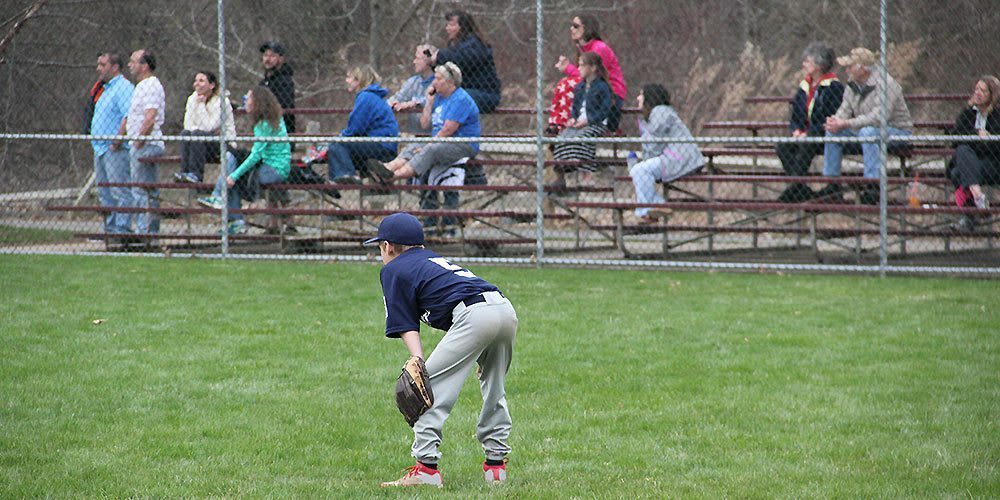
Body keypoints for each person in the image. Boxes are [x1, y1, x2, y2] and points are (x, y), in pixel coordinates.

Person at [365, 212, 517, 488]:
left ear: (387, 246)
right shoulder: (431, 260)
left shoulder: (393, 269)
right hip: (503, 309)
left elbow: (404, 322)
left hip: (474, 316)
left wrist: (418, 361)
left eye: (380, 247)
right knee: (494, 387)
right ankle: (496, 467)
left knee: (426, 389)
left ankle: (426, 469)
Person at [366, 62, 483, 228]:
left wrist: (428, 145)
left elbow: (448, 130)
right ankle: (388, 168)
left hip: (461, 144)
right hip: (440, 141)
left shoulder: (460, 99)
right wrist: (429, 101)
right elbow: (424, 124)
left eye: (438, 78)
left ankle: (392, 177)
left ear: (450, 82)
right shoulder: (439, 98)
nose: (434, 82)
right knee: (415, 144)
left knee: (430, 149)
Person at [820, 47, 913, 205]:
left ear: (862, 68)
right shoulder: (852, 85)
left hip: (896, 131)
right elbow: (845, 109)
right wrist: (835, 122)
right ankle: (832, 185)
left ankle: (873, 185)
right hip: (865, 131)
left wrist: (847, 123)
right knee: (834, 133)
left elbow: (879, 117)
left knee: (868, 132)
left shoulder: (886, 83)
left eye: (850, 66)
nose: (847, 70)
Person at [197, 86, 291, 235]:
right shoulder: (270, 119)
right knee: (233, 161)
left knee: (235, 177)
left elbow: (256, 155)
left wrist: (234, 176)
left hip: (274, 170)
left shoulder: (265, 124)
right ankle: (230, 213)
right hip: (271, 166)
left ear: (258, 102)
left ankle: (226, 207)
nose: (245, 101)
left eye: (249, 98)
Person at [775, 42, 845, 203]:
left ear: (819, 65)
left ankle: (794, 189)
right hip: (804, 135)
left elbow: (830, 118)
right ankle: (799, 188)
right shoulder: (805, 86)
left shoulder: (833, 87)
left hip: (821, 135)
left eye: (807, 61)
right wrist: (796, 130)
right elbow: (796, 115)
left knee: (808, 142)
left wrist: (807, 133)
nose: (803, 64)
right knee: (783, 146)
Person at [627, 84, 705, 224]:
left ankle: (650, 208)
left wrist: (645, 160)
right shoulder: (657, 113)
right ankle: (653, 206)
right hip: (674, 158)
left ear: (650, 98)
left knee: (639, 170)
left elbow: (655, 143)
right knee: (639, 171)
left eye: (641, 94)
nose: (638, 98)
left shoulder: (659, 111)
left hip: (679, 158)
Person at [117, 49, 165, 236]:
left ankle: (144, 231)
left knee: (140, 190)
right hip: (142, 143)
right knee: (147, 189)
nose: (129, 65)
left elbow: (150, 117)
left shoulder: (151, 85)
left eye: (133, 61)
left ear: (144, 65)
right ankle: (149, 230)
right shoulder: (141, 86)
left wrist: (138, 142)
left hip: (147, 145)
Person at [326, 66, 399, 184]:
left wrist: (341, 136)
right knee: (336, 149)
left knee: (337, 144)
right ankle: (340, 178)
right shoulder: (369, 96)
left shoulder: (365, 97)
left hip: (382, 145)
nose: (346, 81)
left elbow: (355, 128)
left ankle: (347, 175)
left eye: (349, 77)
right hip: (383, 145)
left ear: (358, 80)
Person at [551, 51, 613, 191]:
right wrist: (572, 119)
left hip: (596, 123)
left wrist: (588, 121)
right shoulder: (579, 87)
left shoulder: (602, 87)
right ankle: (561, 174)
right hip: (579, 122)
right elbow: (575, 108)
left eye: (581, 66)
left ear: (593, 68)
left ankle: (586, 174)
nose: (578, 69)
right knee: (562, 136)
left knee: (582, 137)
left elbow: (604, 111)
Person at [555, 14, 627, 131]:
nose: (571, 29)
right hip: (592, 89)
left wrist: (569, 69)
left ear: (587, 28)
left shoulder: (599, 48)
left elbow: (594, 76)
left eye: (575, 26)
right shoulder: (582, 49)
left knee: (569, 84)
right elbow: (584, 76)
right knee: (564, 83)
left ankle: (563, 123)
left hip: (609, 91)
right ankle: (559, 123)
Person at [89, 52, 135, 235]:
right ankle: (110, 229)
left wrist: (118, 138)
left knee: (120, 190)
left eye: (102, 64)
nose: (98, 68)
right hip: (100, 148)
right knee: (105, 192)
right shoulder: (106, 88)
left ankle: (121, 229)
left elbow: (128, 114)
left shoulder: (124, 87)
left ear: (114, 67)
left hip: (114, 148)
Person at [948, 75, 1000, 230]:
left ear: (992, 95)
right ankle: (977, 196)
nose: (977, 93)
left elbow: (995, 149)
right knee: (962, 153)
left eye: (983, 91)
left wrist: (980, 141)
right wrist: (979, 137)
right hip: (970, 161)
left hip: (992, 165)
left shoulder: (998, 116)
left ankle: (969, 216)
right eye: (976, 89)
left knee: (959, 171)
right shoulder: (967, 113)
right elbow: (956, 139)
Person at [430, 10, 501, 113]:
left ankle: (448, 128)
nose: (447, 28)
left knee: (457, 98)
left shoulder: (475, 44)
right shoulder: (455, 45)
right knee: (439, 96)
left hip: (484, 94)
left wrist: (439, 56)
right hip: (465, 91)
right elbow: (448, 69)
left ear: (462, 27)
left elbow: (461, 61)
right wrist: (433, 63)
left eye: (451, 25)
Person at [174, 71, 237, 184]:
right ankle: (184, 172)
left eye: (201, 81)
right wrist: (199, 129)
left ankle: (196, 175)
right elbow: (187, 124)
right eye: (196, 80)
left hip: (223, 144)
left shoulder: (222, 101)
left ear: (212, 85)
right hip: (200, 143)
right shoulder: (192, 99)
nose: (197, 84)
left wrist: (202, 105)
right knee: (185, 133)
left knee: (197, 134)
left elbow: (209, 126)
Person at [388, 44, 436, 134]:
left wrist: (414, 103)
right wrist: (392, 104)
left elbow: (434, 99)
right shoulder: (413, 81)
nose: (414, 62)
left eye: (418, 58)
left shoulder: (440, 82)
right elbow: (398, 97)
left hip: (434, 135)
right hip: (414, 135)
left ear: (429, 61)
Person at [259, 41, 295, 134]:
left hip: (281, 131)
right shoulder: (264, 82)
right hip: (264, 129)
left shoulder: (285, 80)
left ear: (281, 59)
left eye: (272, 56)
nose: (268, 59)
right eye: (265, 55)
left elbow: (284, 104)